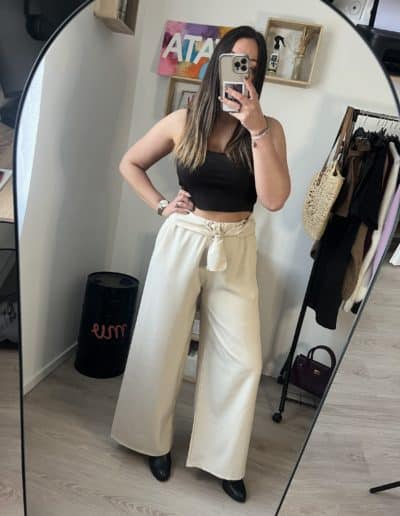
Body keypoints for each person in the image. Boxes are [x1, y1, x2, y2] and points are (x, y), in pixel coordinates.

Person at [111, 25, 290, 503]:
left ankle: (222, 458)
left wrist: (256, 127)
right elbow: (130, 163)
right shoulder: (183, 120)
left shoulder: (269, 129)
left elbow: (274, 200)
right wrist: (161, 205)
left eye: (253, 66)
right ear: (219, 63)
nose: (244, 72)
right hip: (184, 238)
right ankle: (151, 441)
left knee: (243, 360)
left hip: (236, 245)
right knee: (161, 342)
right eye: (236, 61)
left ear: (259, 75)